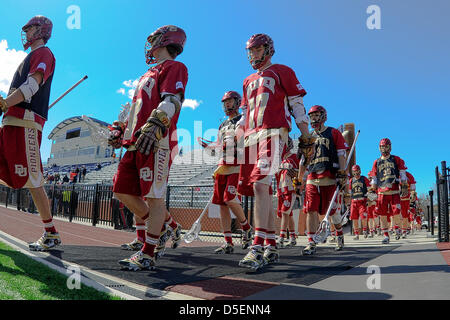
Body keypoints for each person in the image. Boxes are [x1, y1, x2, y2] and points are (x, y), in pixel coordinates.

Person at [108, 25, 188, 271]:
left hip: (156, 140)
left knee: (154, 197)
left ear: (165, 40)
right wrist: (120, 130)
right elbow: (134, 110)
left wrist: (156, 122)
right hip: (134, 142)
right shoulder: (147, 74)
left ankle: (149, 252)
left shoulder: (175, 67)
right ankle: (164, 229)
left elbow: (172, 100)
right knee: (121, 191)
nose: (150, 43)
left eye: (154, 39)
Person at [236, 33, 311, 271]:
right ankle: (270, 244)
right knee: (263, 189)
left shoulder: (282, 71)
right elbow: (245, 114)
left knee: (260, 185)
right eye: (250, 50)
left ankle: (256, 246)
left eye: (256, 50)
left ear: (268, 49)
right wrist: (234, 137)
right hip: (251, 137)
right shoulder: (247, 80)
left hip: (274, 132)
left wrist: (305, 134)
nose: (252, 54)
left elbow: (297, 105)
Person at [0, 16, 59, 251]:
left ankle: (50, 231)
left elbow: (32, 86)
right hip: (12, 120)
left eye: (30, 28)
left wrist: (5, 102)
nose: (26, 32)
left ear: (41, 30)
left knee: (34, 180)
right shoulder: (29, 56)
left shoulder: (44, 54)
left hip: (26, 121)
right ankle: (50, 231)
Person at [201, 91, 253, 254]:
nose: (226, 105)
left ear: (238, 102)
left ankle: (246, 227)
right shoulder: (222, 125)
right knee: (221, 204)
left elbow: (246, 141)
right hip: (223, 164)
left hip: (238, 164)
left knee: (229, 198)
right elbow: (218, 145)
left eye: (229, 101)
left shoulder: (244, 120)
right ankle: (227, 241)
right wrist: (209, 146)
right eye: (225, 102)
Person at [300, 105, 349, 255]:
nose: (313, 119)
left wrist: (342, 173)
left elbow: (341, 154)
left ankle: (339, 234)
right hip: (312, 177)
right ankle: (311, 242)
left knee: (333, 212)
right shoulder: (308, 137)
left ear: (323, 116)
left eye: (316, 115)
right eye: (311, 116)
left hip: (330, 177)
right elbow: (303, 160)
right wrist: (299, 179)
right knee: (311, 210)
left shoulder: (333, 133)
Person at [368, 138, 408, 244]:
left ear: (390, 147)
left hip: (394, 190)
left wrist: (404, 184)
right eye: (382, 147)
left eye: (385, 146)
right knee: (382, 213)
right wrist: (372, 189)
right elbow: (374, 177)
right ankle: (385, 234)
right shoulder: (377, 161)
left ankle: (397, 228)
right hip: (382, 191)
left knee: (396, 212)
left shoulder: (396, 159)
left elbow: (402, 172)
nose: (384, 149)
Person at [275, 137, 299, 248]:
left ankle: (281, 237)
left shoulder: (294, 157)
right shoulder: (280, 161)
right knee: (288, 214)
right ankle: (293, 237)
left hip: (290, 189)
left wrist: (296, 175)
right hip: (281, 190)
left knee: (285, 212)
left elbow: (301, 172)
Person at [348, 165, 371, 240]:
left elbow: (369, 189)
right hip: (354, 201)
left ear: (360, 171)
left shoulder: (364, 179)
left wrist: (369, 198)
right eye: (354, 171)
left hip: (362, 201)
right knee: (354, 218)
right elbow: (350, 191)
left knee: (363, 216)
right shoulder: (351, 180)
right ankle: (356, 233)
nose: (356, 173)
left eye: (357, 171)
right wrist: (348, 202)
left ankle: (364, 230)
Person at [399, 171, 416, 238]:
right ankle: (398, 229)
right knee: (397, 214)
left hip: (405, 199)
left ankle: (404, 231)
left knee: (404, 215)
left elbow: (413, 188)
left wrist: (413, 194)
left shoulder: (409, 175)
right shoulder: (393, 173)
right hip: (395, 197)